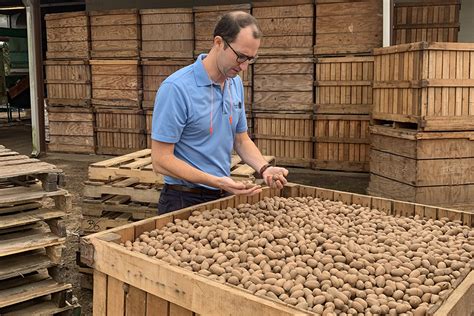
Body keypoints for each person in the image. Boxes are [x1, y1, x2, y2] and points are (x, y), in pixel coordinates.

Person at [151, 11, 289, 215]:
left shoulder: (235, 84)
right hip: (182, 198)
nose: (243, 66)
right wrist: (215, 180)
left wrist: (264, 168)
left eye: (250, 59)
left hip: (222, 194)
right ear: (218, 42)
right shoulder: (176, 88)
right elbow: (161, 160)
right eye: (240, 56)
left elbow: (241, 139)